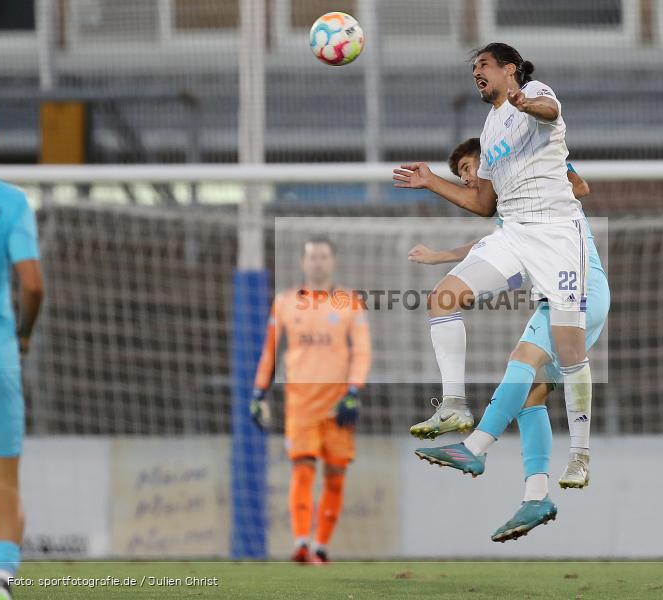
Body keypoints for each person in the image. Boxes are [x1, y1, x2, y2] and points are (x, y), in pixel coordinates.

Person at [393, 43, 608, 542]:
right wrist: (430, 181)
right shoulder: (491, 131)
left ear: (510, 69)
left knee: (534, 365)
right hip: (518, 237)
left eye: (484, 66)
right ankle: (457, 410)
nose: (476, 74)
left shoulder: (533, 94)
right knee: (445, 300)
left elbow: (551, 113)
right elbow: (485, 204)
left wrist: (523, 102)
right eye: (473, 70)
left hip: (559, 243)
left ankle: (566, 454)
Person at [407, 138, 608, 493]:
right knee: (531, 392)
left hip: (583, 286)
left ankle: (477, 447)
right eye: (463, 174)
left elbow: (579, 186)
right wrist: (441, 257)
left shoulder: (533, 167)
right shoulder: (512, 216)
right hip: (555, 291)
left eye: (470, 168)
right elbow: (492, 243)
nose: (469, 178)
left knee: (524, 359)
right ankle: (536, 496)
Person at [250, 237, 371, 563]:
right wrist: (258, 392)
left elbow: (361, 351)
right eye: (312, 257)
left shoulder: (350, 302)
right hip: (300, 402)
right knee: (302, 470)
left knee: (335, 474)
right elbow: (269, 351)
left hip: (337, 403)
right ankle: (301, 543)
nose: (317, 262)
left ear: (333, 262)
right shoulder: (285, 302)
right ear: (303, 263)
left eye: (323, 256)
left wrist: (354, 391)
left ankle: (320, 546)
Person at [0, 107, 44, 600]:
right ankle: (1, 582)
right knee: (3, 481)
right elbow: (32, 284)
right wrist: (23, 335)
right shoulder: (10, 202)